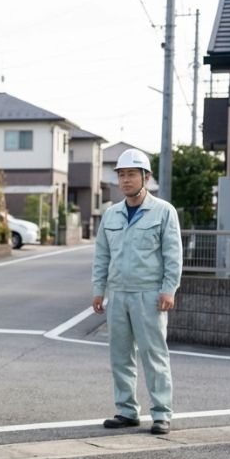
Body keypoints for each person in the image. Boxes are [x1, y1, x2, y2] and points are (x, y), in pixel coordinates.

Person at [91, 148, 183, 435]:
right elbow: (102, 256)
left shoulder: (163, 211)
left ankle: (162, 414)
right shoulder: (111, 214)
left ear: (146, 177)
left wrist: (169, 289)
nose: (126, 180)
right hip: (118, 294)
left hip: (149, 294)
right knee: (120, 355)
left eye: (131, 174)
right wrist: (98, 290)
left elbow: (173, 255)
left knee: (154, 354)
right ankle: (127, 411)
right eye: (121, 175)